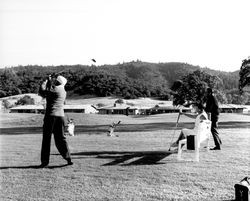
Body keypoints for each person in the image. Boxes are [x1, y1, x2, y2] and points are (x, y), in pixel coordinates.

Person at [38, 74, 73, 168]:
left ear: (58, 82)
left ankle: (45, 162)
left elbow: (42, 92)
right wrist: (49, 81)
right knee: (61, 139)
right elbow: (50, 90)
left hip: (51, 116)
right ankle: (68, 158)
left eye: (56, 81)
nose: (55, 82)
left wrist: (45, 81)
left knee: (46, 139)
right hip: (60, 116)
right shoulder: (63, 91)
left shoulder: (55, 89)